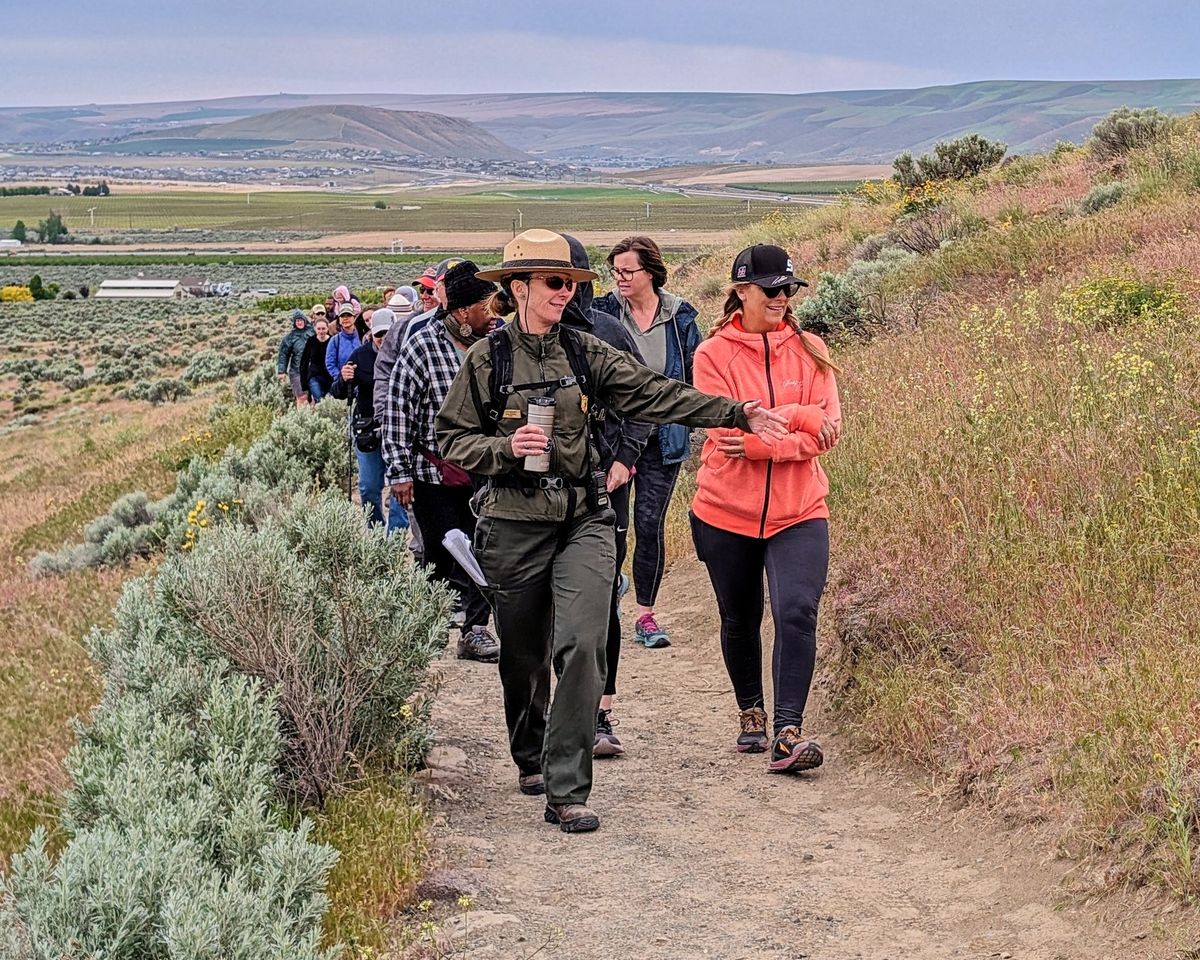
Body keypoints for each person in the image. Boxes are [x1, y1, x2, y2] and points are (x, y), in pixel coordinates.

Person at [435, 230, 788, 833]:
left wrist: (736, 411)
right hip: (514, 526)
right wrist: (503, 448)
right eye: (553, 282)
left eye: (571, 282)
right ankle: (531, 753)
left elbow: (653, 392)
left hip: (585, 520)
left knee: (582, 642)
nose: (566, 291)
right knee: (523, 656)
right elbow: (449, 439)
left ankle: (567, 787)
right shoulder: (485, 361)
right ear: (517, 289)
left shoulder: (584, 351)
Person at [689, 244, 841, 774]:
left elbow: (829, 434)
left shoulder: (814, 350)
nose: (780, 298)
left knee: (797, 611)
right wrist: (799, 417)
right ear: (741, 291)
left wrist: (768, 438)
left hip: (801, 508)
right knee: (740, 617)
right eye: (770, 289)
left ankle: (788, 731)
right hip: (724, 510)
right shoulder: (712, 355)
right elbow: (724, 430)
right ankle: (750, 710)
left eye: (788, 290)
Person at [558, 234, 652, 759]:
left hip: (605, 485)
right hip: (538, 492)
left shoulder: (609, 331)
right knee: (548, 599)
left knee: (601, 596)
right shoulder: (519, 338)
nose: (562, 290)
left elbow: (642, 400)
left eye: (568, 278)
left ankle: (600, 712)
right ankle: (558, 706)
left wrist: (624, 460)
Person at [385, 261, 500, 662]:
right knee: (438, 551)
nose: (494, 313)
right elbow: (398, 410)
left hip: (487, 469)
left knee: (483, 550)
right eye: (487, 306)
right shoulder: (422, 345)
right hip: (434, 471)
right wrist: (399, 473)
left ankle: (474, 630)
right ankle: (428, 623)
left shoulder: (498, 342)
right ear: (464, 310)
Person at [594, 236, 702, 650]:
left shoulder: (681, 317)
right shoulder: (602, 313)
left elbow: (696, 375)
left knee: (649, 525)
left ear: (650, 272)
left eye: (627, 271)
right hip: (613, 441)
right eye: (615, 271)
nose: (620, 278)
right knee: (610, 527)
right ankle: (606, 606)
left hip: (664, 441)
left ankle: (645, 614)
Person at [331, 308, 395, 527]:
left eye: (387, 333)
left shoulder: (405, 352)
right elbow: (338, 392)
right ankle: (376, 530)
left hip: (399, 429)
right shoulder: (360, 355)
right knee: (368, 487)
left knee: (401, 483)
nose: (383, 339)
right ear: (371, 332)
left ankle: (396, 533)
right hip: (368, 429)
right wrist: (343, 378)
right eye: (379, 334)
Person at [276, 309, 313, 406]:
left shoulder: (313, 331)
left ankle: (314, 417)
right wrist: (281, 371)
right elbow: (283, 354)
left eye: (301, 320)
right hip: (296, 371)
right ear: (294, 322)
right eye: (297, 321)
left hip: (313, 370)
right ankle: (301, 417)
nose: (299, 322)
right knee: (301, 396)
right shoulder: (290, 337)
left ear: (305, 320)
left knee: (313, 395)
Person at [300, 308, 333, 402]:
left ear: (327, 328)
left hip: (330, 377)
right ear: (314, 329)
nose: (321, 331)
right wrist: (303, 383)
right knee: (319, 400)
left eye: (323, 328)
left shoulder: (332, 341)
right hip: (314, 376)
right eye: (318, 329)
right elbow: (304, 362)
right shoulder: (311, 341)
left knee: (330, 402)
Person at [325, 302, 361, 382]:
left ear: (354, 318)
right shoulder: (335, 340)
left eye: (348, 315)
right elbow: (330, 363)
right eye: (342, 316)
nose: (345, 318)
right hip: (343, 384)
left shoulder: (362, 337)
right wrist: (340, 378)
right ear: (339, 320)